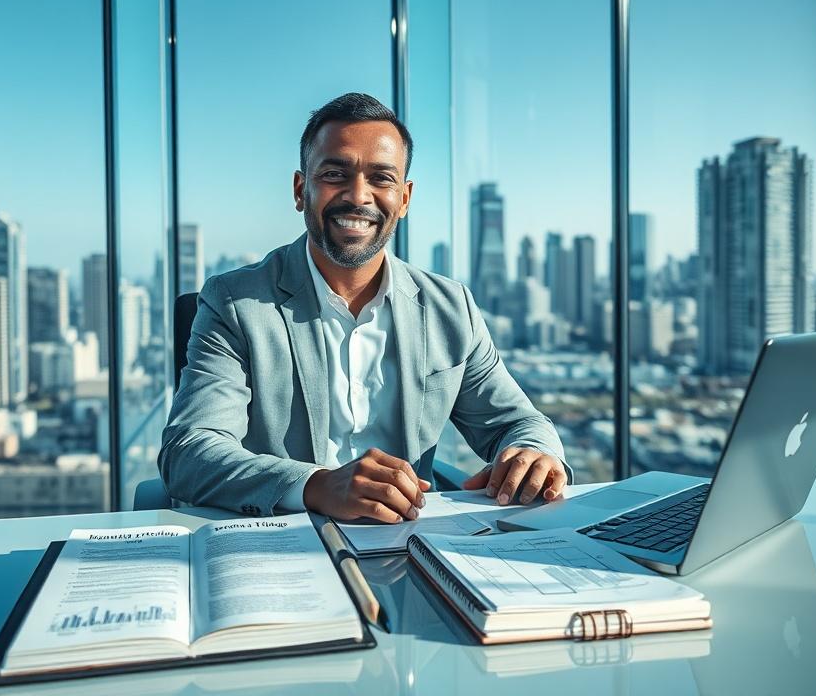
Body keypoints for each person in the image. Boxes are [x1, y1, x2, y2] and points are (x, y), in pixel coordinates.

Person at [160, 93, 571, 520]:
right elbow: (189, 451)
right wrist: (316, 485)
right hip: (283, 544)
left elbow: (518, 423)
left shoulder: (451, 307)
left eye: (381, 178)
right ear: (302, 190)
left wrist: (534, 454)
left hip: (407, 541)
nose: (359, 196)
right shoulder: (236, 303)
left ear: (405, 198)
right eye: (336, 173)